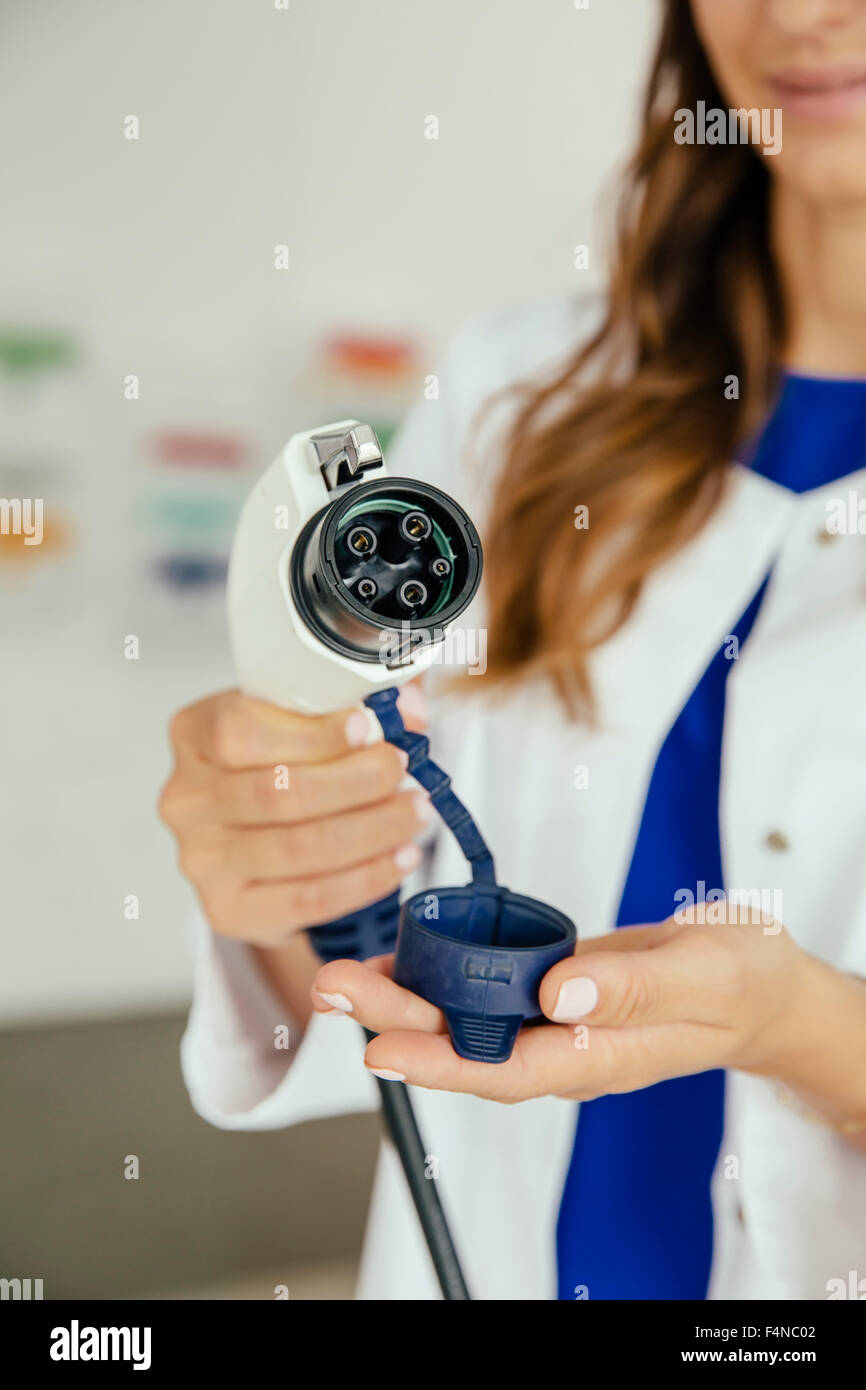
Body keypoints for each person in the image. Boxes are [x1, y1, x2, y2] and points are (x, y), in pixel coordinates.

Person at [160, 0, 866, 1300]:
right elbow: (357, 961)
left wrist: (810, 1031)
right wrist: (278, 860)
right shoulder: (514, 395)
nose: (798, 12)